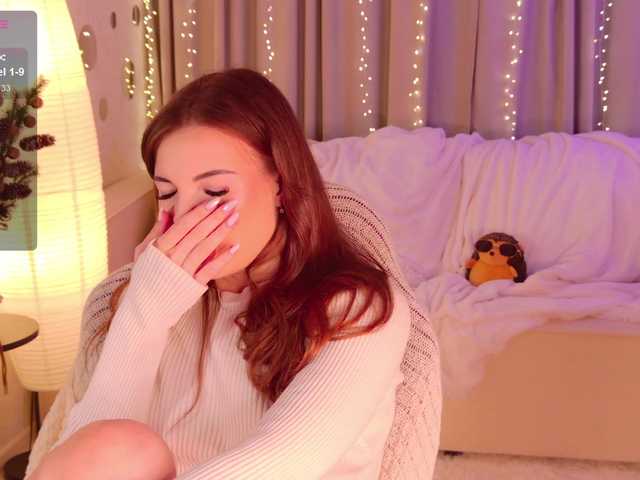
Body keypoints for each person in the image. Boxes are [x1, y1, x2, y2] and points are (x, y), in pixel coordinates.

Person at [27, 68, 412, 480]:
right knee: (114, 445)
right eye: (167, 193)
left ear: (281, 184)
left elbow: (282, 464)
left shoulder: (360, 309)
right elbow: (82, 458)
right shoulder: (144, 295)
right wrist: (145, 305)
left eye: (214, 193)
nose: (186, 216)